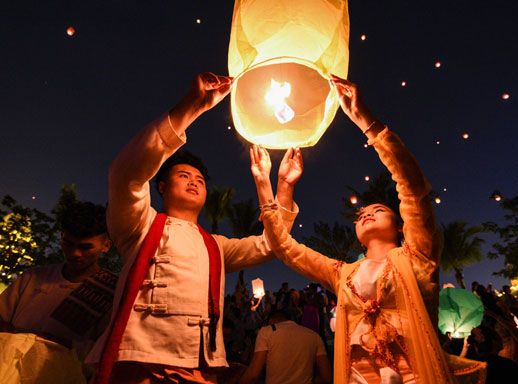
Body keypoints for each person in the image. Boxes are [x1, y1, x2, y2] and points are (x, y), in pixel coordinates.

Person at [249, 75, 487, 383]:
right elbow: (285, 248)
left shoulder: (417, 256)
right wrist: (267, 184)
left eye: (379, 210)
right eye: (362, 212)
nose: (367, 213)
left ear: (401, 227)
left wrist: (367, 123)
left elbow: (412, 188)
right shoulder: (342, 273)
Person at [86, 72, 303, 384]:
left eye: (200, 180)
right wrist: (191, 107)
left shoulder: (215, 245)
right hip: (139, 361)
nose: (194, 182)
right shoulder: (139, 224)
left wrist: (283, 186)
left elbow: (272, 244)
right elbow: (125, 174)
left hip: (200, 365)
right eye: (184, 176)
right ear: (161, 186)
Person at [0, 201, 117, 383]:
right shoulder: (32, 276)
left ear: (106, 246)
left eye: (85, 247)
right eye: (68, 243)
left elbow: (102, 351)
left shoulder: (111, 291)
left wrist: (52, 345)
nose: (75, 253)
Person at [239, 310, 331, 384]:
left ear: (272, 321)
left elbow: (253, 374)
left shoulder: (266, 332)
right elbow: (327, 377)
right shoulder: (314, 335)